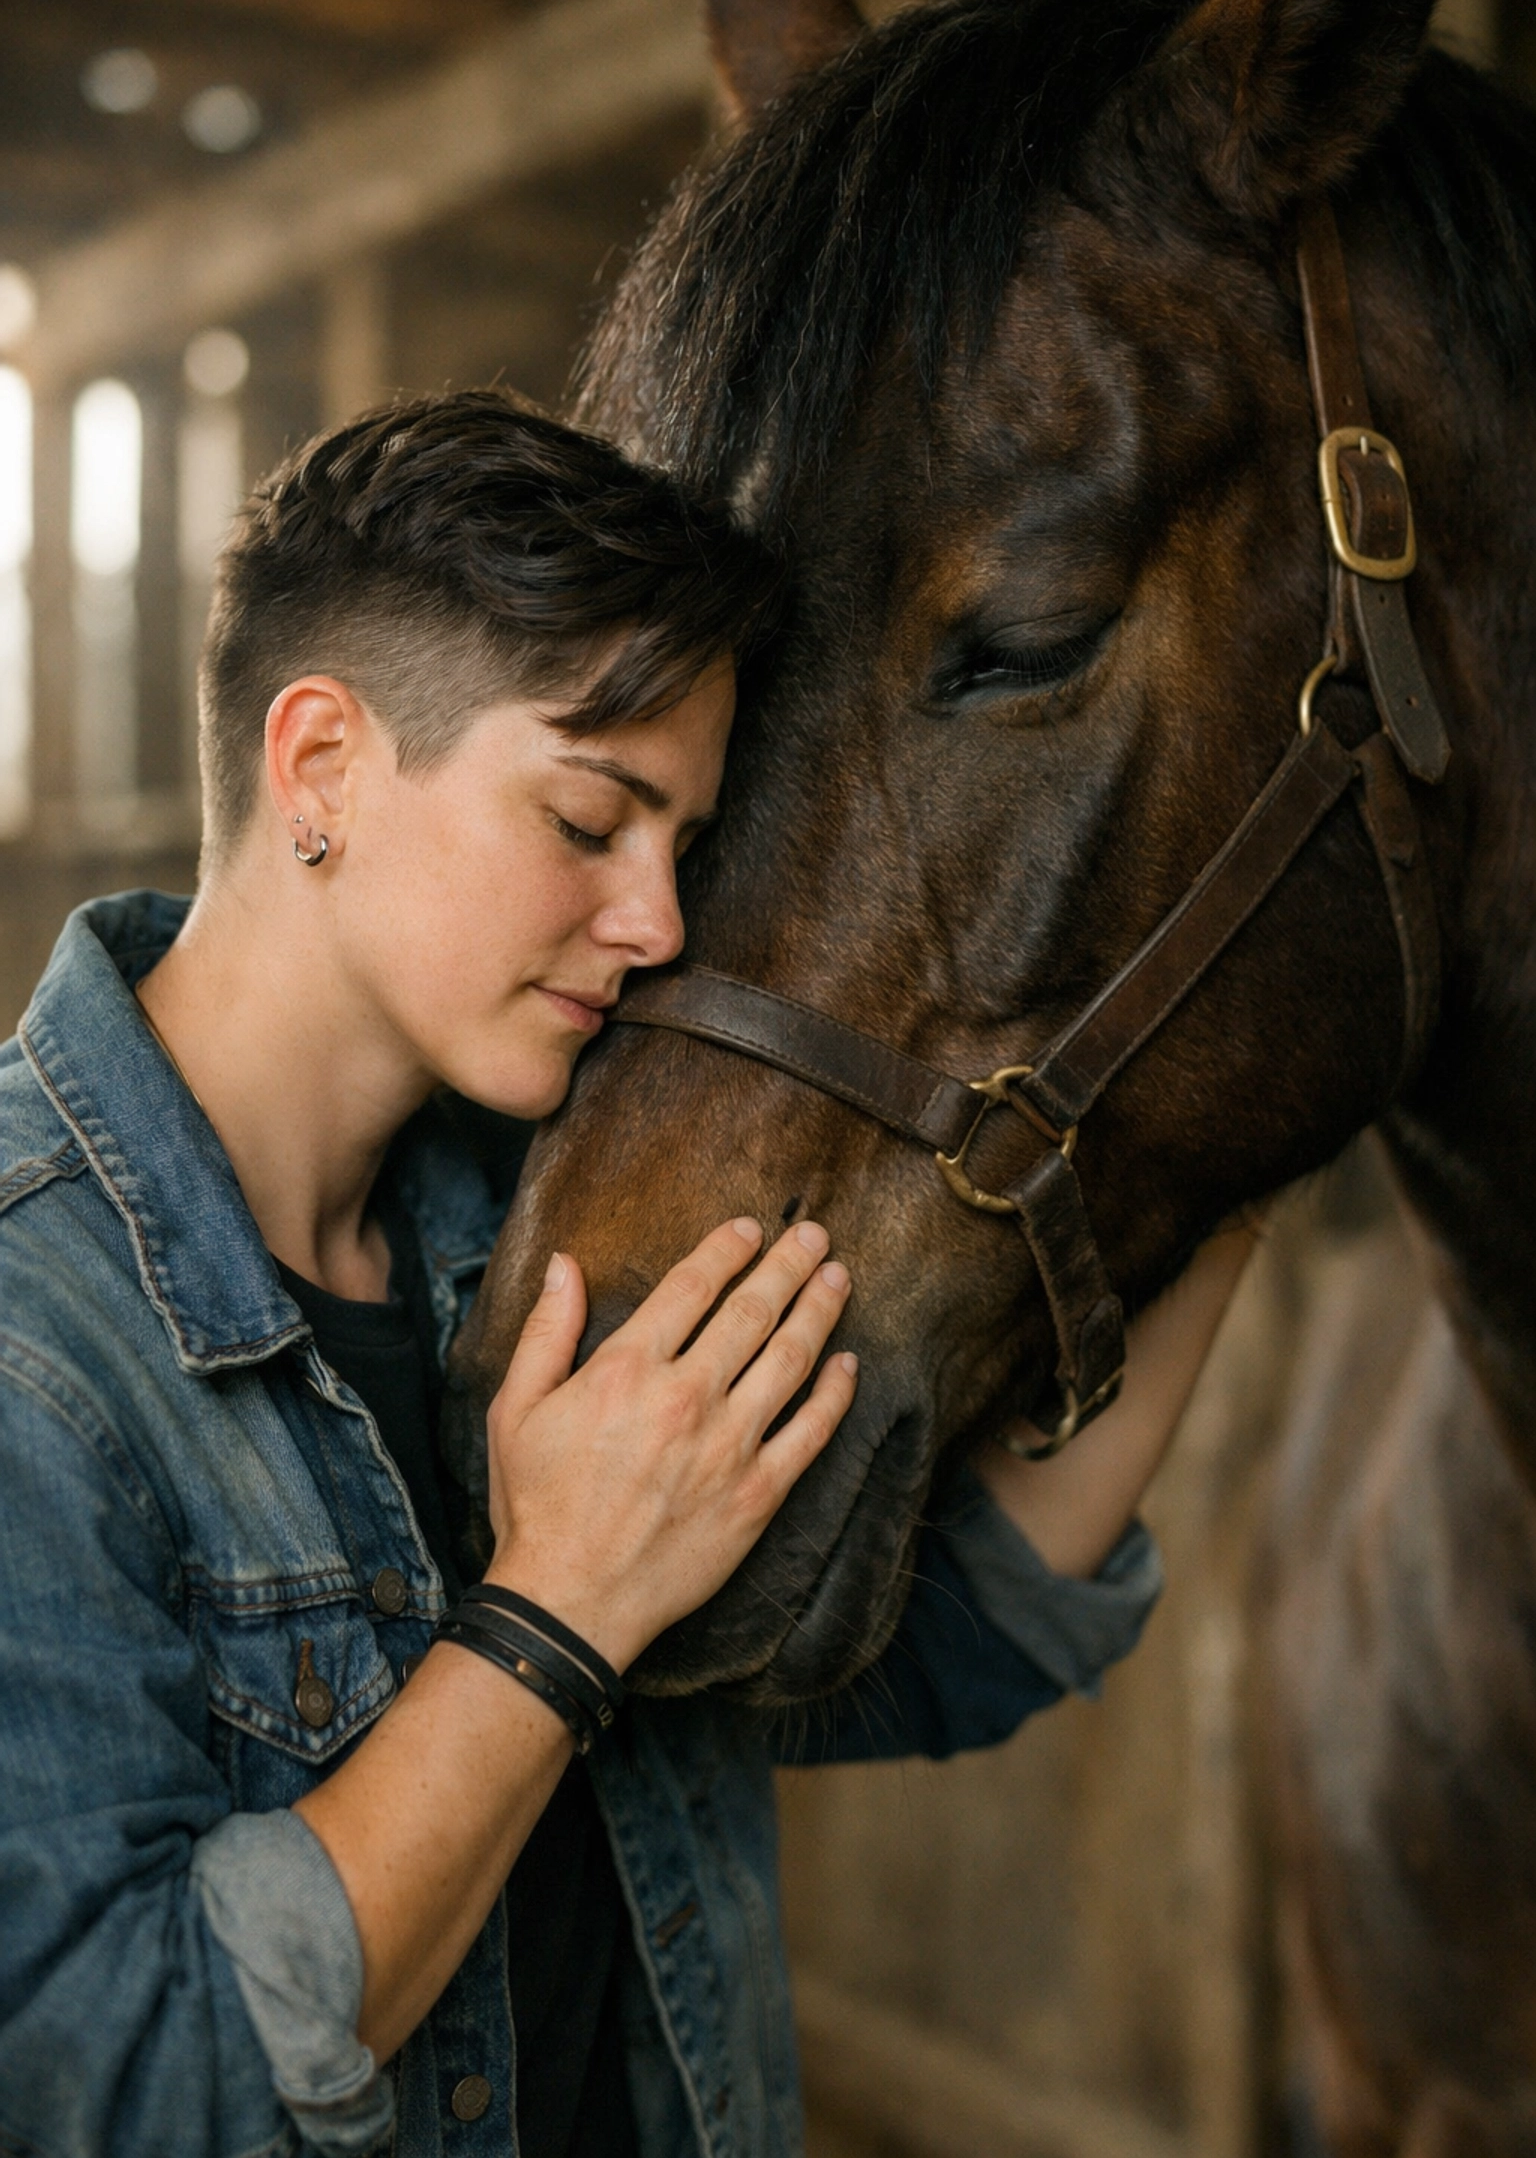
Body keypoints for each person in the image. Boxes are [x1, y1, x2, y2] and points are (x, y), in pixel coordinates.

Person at [0, 391, 1256, 2158]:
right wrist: (554, 1616)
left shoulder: (527, 1217)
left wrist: (1245, 1140)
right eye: (593, 824)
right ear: (319, 771)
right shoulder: (29, 1341)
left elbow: (936, 1638)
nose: (659, 924)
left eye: (685, 841)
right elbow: (125, 2080)